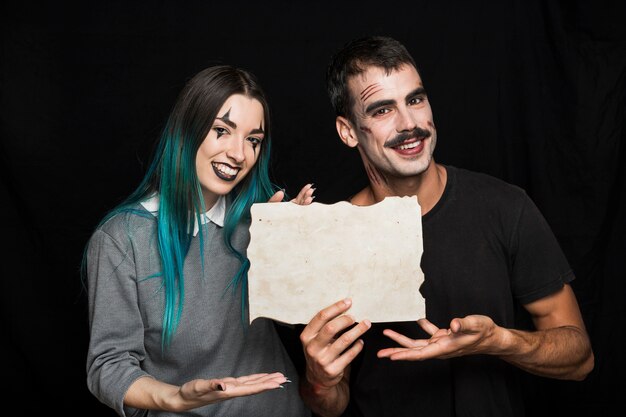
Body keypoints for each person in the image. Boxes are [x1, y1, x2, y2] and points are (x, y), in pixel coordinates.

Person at [297, 36, 594, 417]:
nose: (410, 124)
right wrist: (319, 378)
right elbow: (330, 404)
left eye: (415, 100)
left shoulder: (504, 207)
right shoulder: (331, 238)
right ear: (349, 131)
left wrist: (497, 341)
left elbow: (580, 358)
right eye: (383, 109)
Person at [83, 65, 314, 417]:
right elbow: (109, 366)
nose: (239, 154)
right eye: (222, 131)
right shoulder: (122, 239)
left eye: (253, 140)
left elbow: (296, 319)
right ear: (187, 130)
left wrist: (282, 248)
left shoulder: (260, 218)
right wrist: (176, 398)